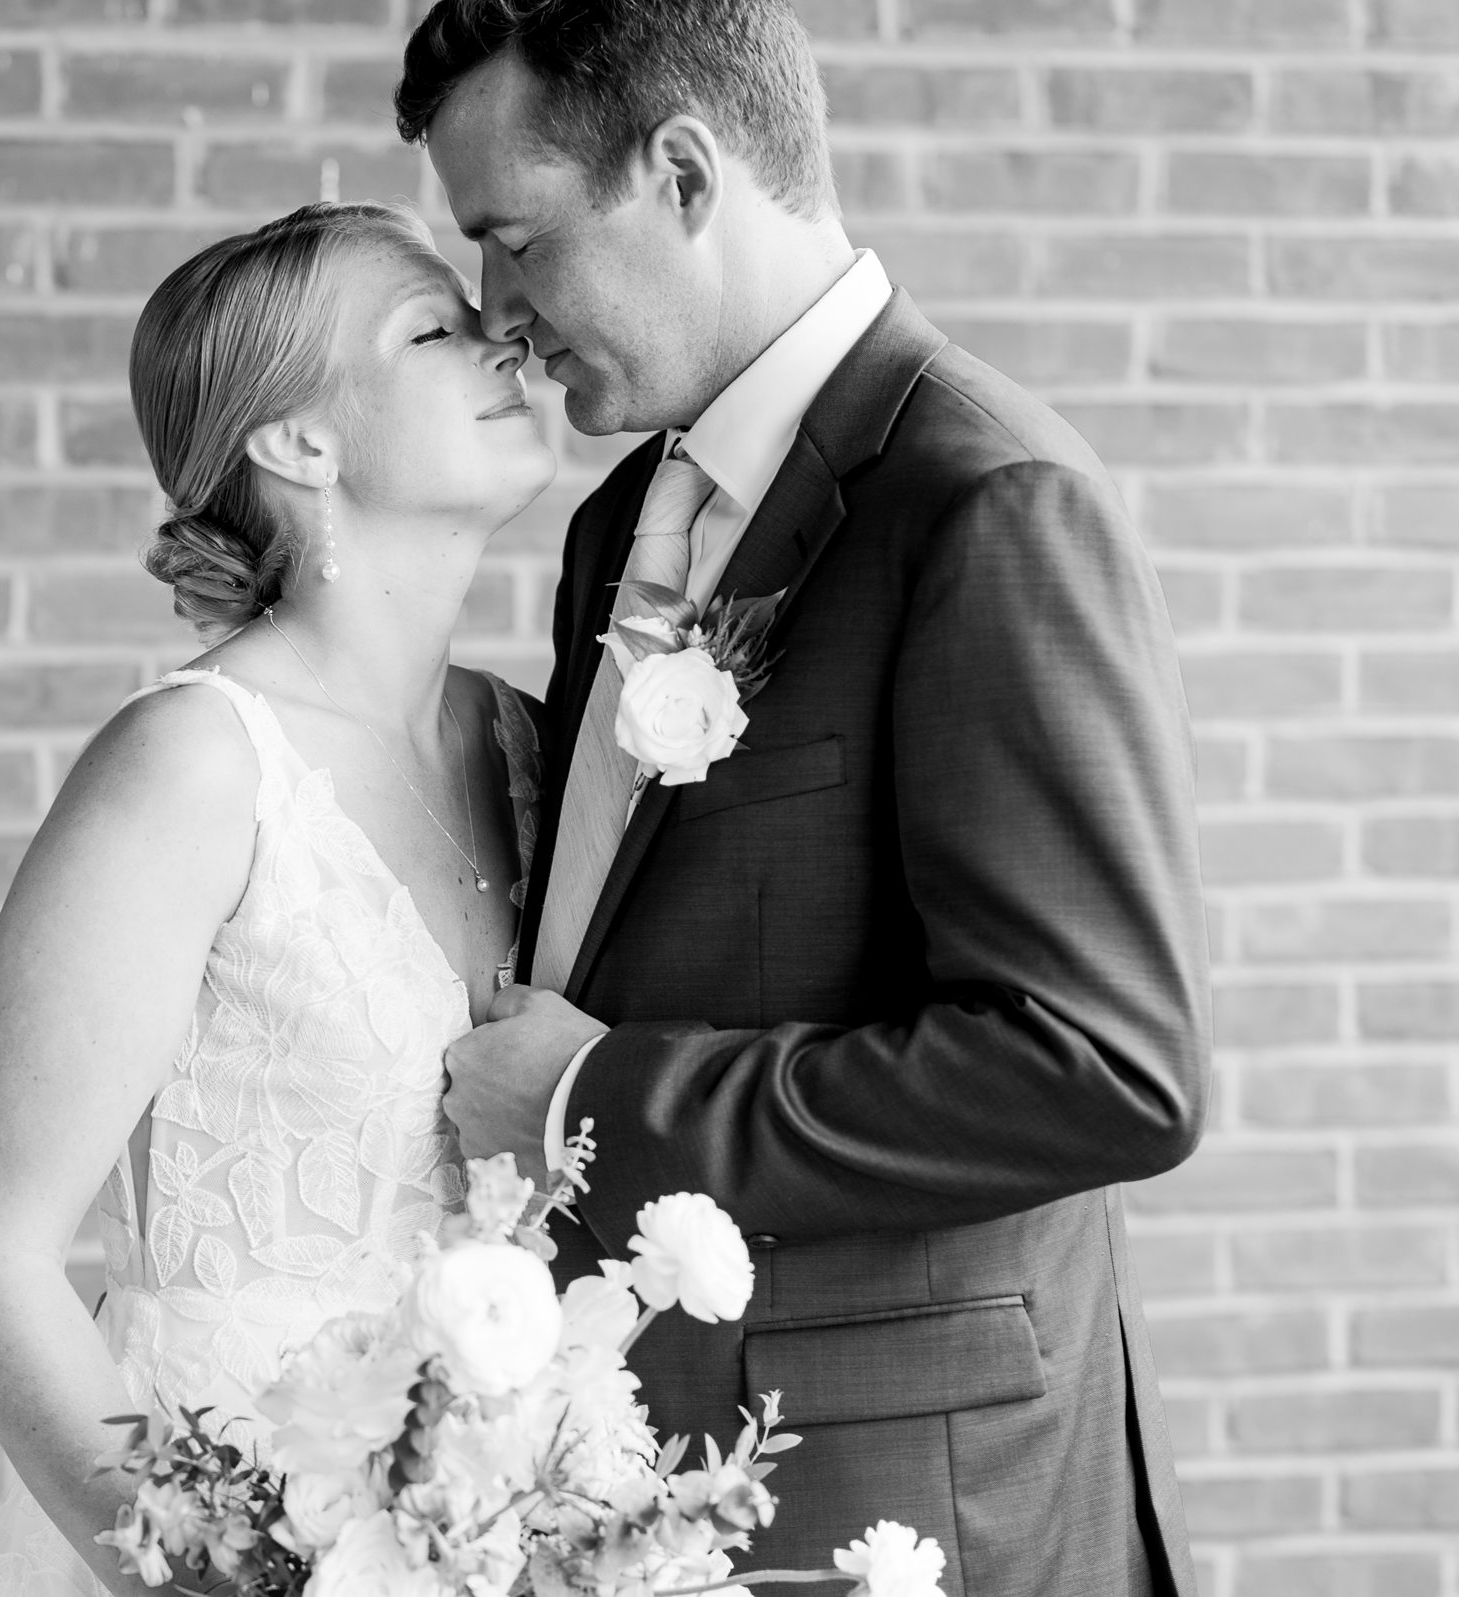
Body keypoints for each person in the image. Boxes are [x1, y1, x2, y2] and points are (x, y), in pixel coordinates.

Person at [403, 2, 1213, 1594]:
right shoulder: (619, 518)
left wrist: (600, 1104)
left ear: (685, 175)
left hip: (908, 1492)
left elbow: (1102, 1068)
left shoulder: (985, 503)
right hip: (644, 1468)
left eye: (515, 241)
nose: (498, 315)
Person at [0, 201, 558, 1597]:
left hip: (491, 1532)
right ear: (300, 443)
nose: (505, 334)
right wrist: (209, 1577)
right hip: (221, 1539)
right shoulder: (195, 766)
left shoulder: (533, 748)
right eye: (435, 327)